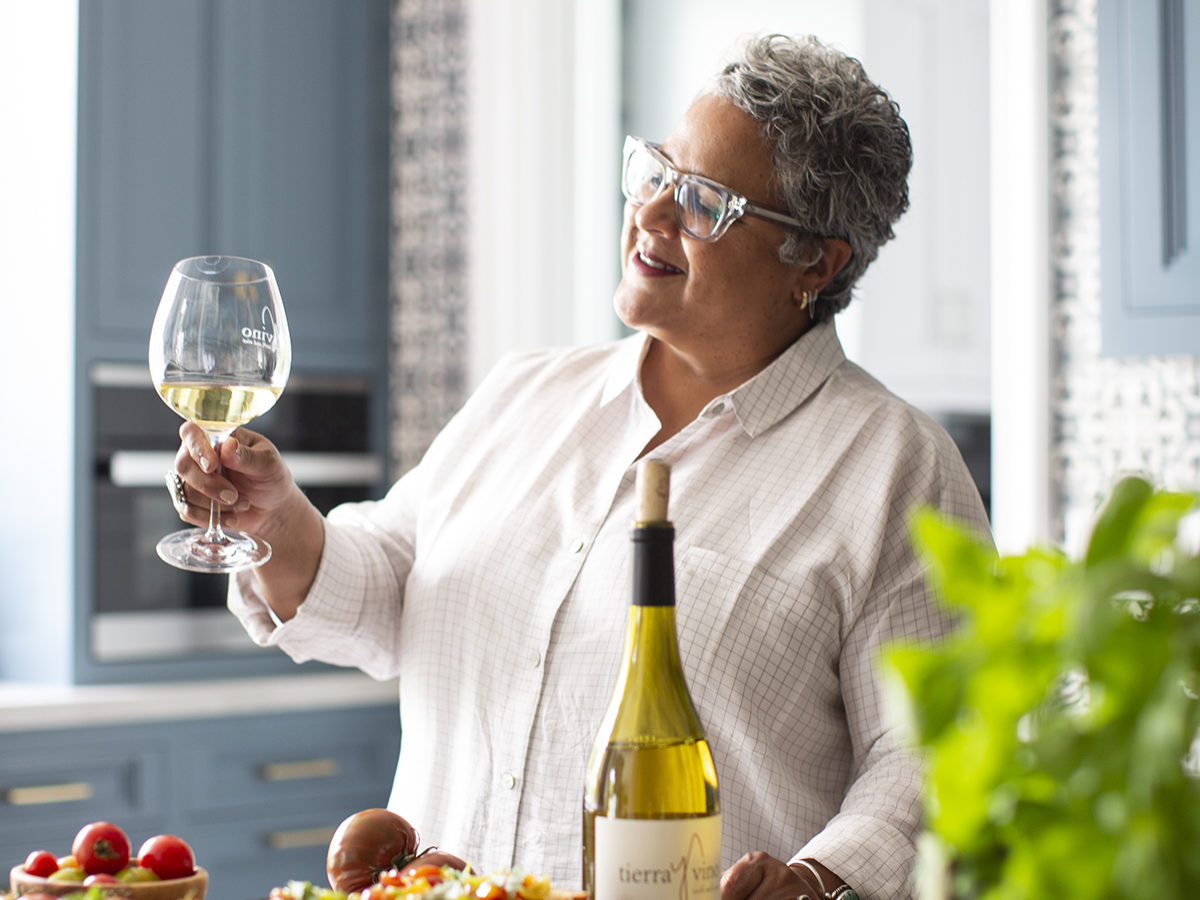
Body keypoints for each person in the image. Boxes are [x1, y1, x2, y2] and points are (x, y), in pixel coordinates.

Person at [169, 34, 990, 900]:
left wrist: (825, 881)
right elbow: (384, 592)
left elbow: (935, 755)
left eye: (707, 202)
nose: (655, 215)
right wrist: (277, 520)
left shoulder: (895, 467)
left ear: (814, 263)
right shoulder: (526, 393)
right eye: (657, 173)